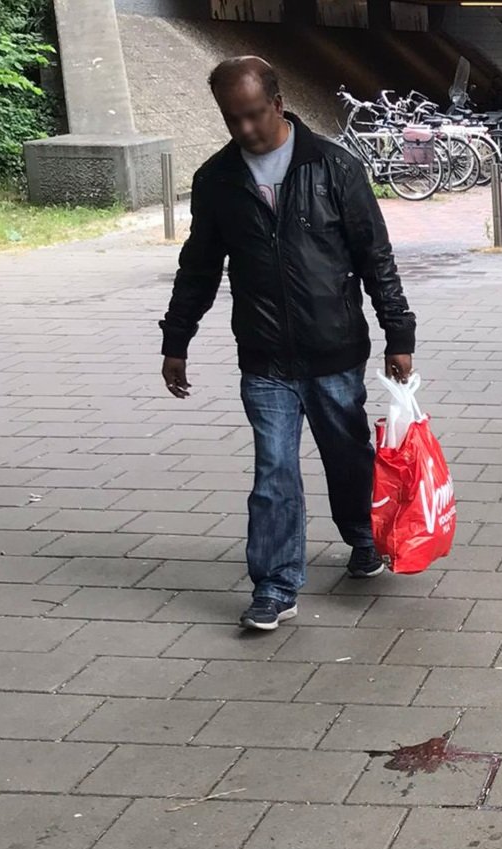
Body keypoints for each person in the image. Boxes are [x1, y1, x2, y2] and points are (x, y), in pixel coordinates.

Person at [159, 57, 415, 631]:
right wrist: (177, 339)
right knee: (273, 469)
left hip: (334, 348)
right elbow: (198, 268)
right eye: (232, 118)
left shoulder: (334, 166)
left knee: (347, 456)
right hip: (265, 354)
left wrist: (398, 333)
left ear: (278, 102)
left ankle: (362, 537)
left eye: (253, 114)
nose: (245, 128)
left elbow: (375, 256)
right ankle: (275, 585)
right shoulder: (217, 180)